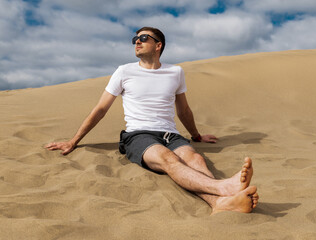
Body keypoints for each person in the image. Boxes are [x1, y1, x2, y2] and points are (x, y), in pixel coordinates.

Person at [45, 26, 259, 214]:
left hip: (171, 134)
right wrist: (74, 141)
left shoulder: (175, 72)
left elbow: (183, 109)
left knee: (196, 160)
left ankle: (219, 204)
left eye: (144, 38)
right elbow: (100, 109)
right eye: (135, 39)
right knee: (168, 160)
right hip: (138, 135)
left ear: (159, 45)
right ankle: (223, 188)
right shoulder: (124, 71)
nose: (137, 41)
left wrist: (196, 136)